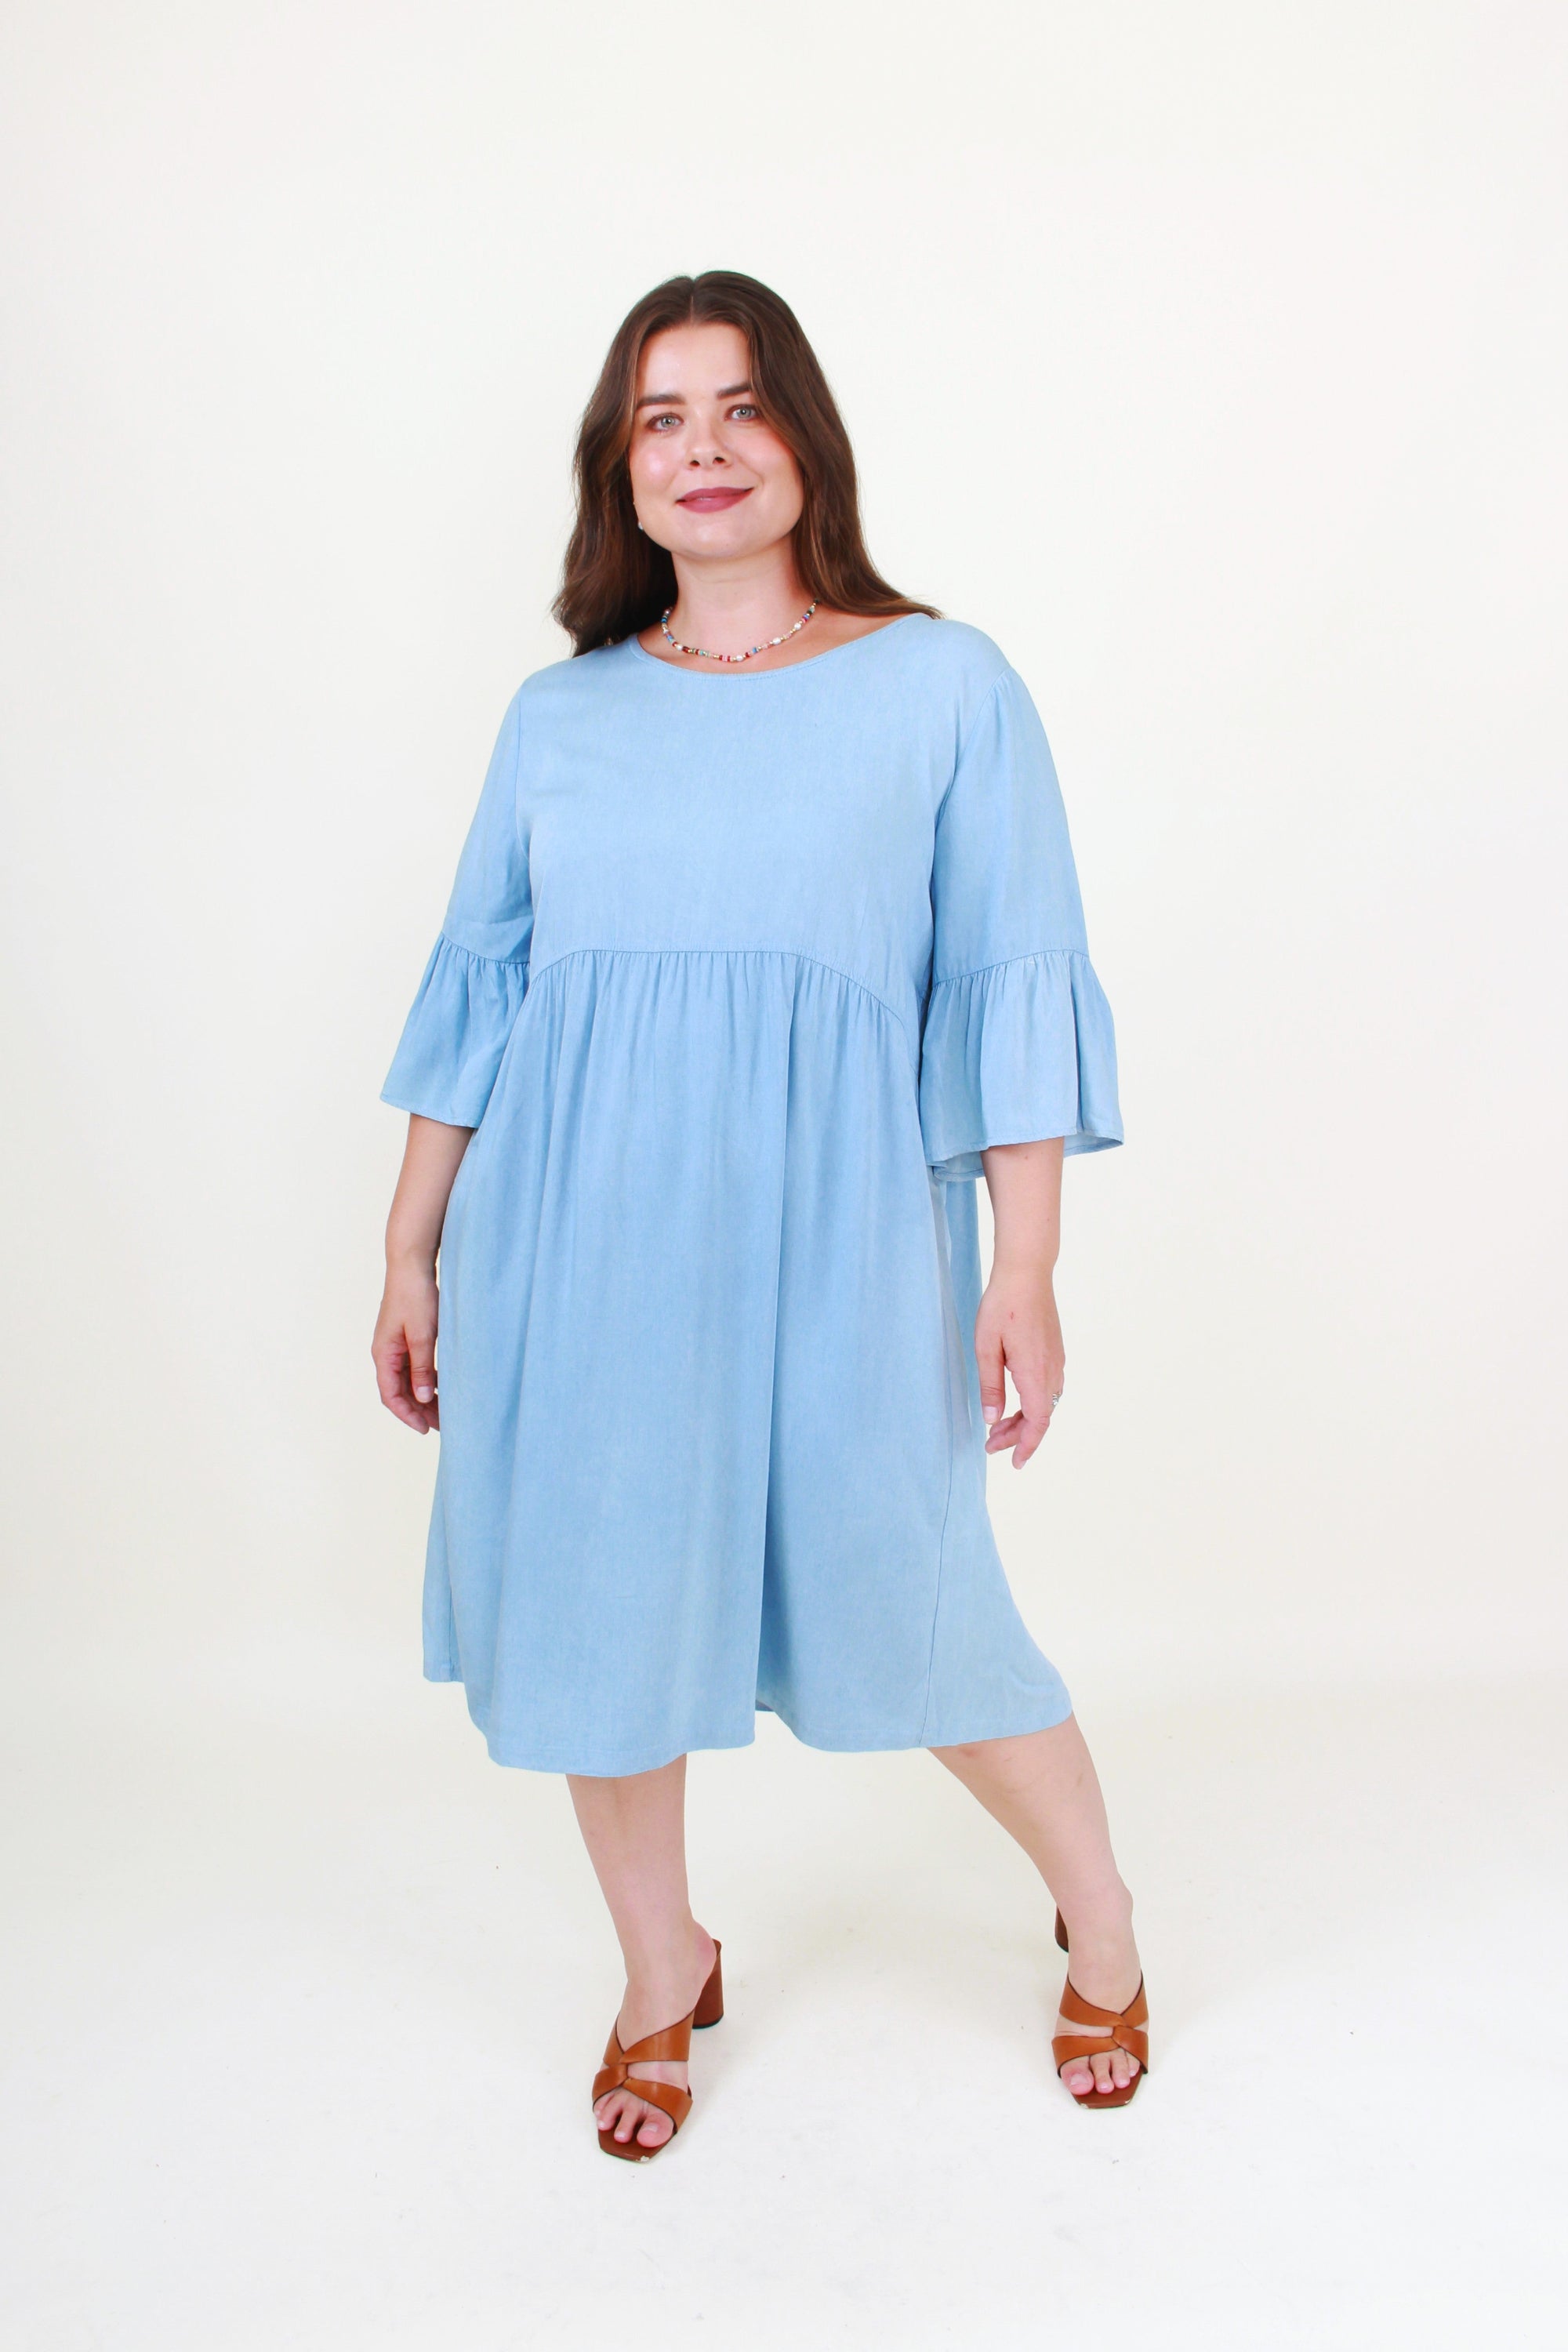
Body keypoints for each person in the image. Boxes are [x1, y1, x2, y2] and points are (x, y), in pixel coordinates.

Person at [372, 271, 1148, 2159]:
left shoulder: (942, 682)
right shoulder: (559, 715)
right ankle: (662, 1973)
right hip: (573, 1238)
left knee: (923, 1607)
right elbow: (483, 982)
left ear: (803, 438)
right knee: (597, 1613)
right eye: (660, 418)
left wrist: (1025, 1265)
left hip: (845, 1239)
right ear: (617, 471)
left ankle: (1104, 1918)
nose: (702, 450)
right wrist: (409, 1243)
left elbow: (1006, 978)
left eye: (737, 407)